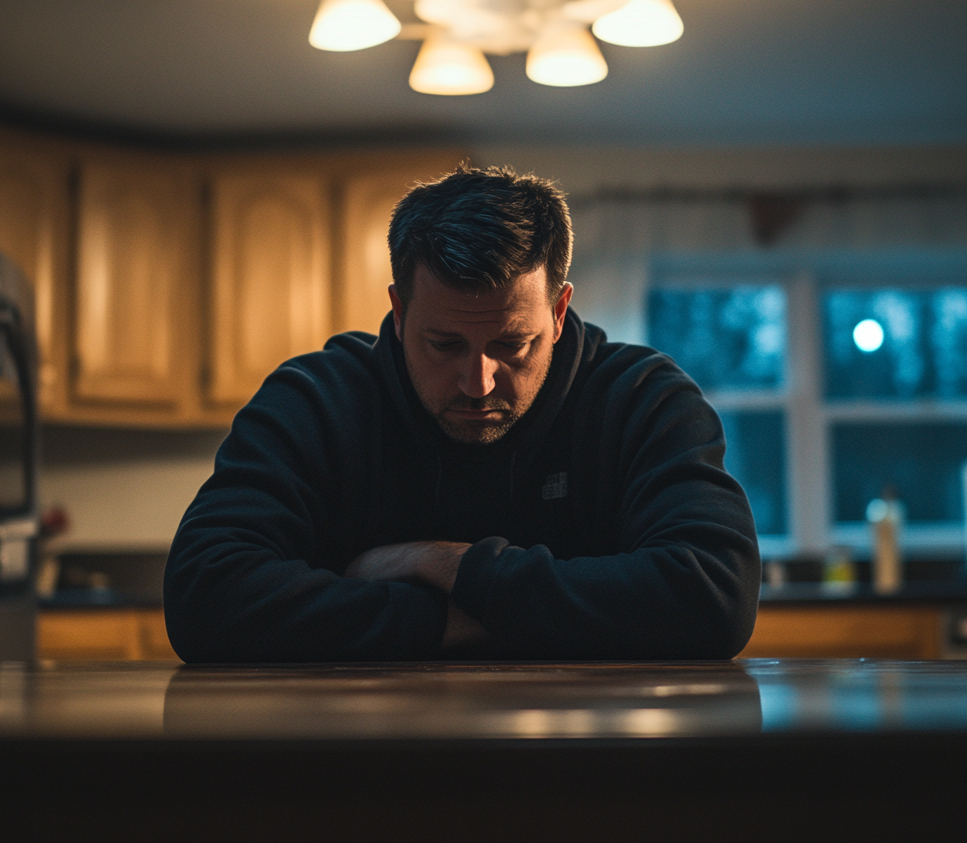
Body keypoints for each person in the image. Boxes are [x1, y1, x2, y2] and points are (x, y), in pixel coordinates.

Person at [164, 165, 760, 661]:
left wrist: (443, 565)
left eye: (513, 345)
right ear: (399, 313)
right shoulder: (317, 399)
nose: (478, 383)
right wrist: (447, 622)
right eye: (444, 345)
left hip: (593, 771)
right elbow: (203, 595)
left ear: (558, 310)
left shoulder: (641, 398)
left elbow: (715, 597)